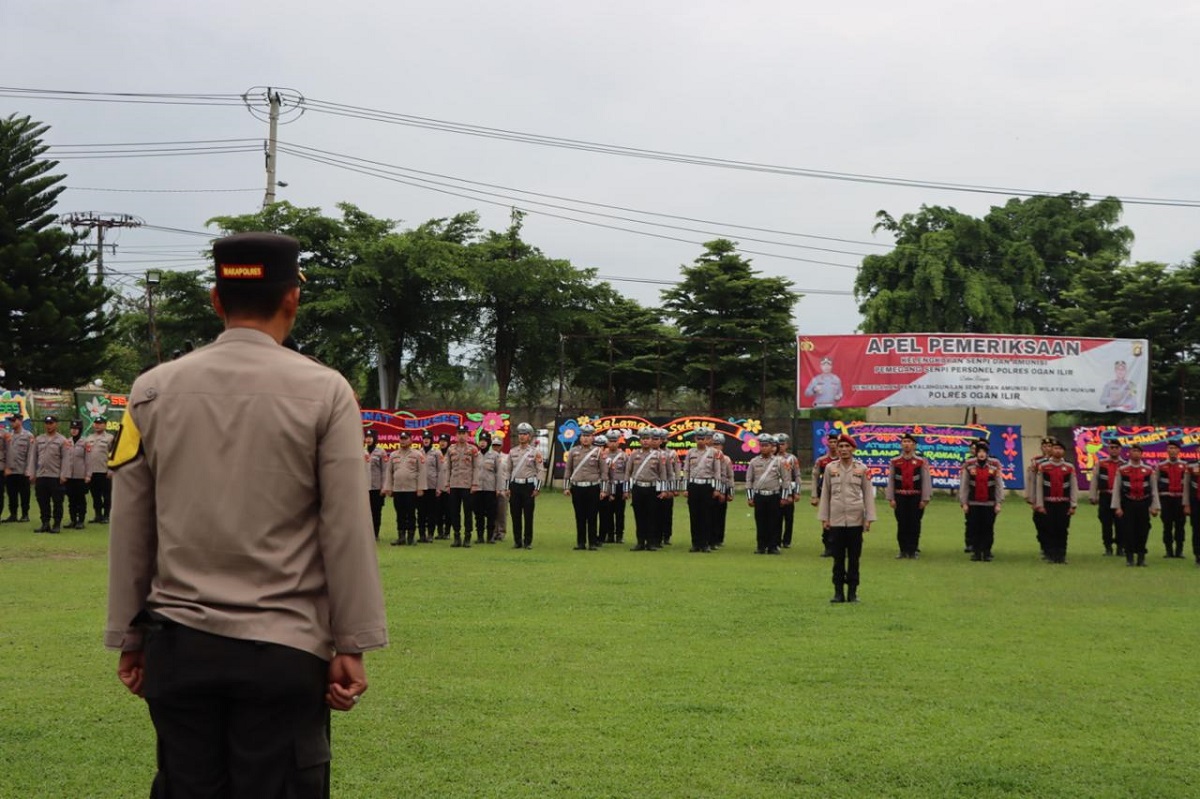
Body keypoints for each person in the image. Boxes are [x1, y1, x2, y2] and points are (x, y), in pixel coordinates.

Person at [105, 231, 387, 798]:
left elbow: (131, 525)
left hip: (178, 645)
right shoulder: (326, 392)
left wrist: (128, 636)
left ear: (216, 299)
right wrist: (351, 642)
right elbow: (347, 527)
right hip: (284, 647)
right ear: (293, 299)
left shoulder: (151, 390)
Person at [818, 434, 875, 603]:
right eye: (841, 447)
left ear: (853, 449)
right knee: (838, 558)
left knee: (854, 558)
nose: (843, 450)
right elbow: (825, 493)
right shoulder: (830, 468)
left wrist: (869, 518)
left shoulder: (862, 469)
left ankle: (852, 592)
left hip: (855, 519)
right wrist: (824, 517)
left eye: (846, 447)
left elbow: (868, 495)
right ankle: (838, 592)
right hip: (836, 519)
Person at [1112, 443, 1159, 567]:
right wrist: (1117, 507)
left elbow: (1154, 489)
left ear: (1141, 454)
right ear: (1129, 453)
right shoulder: (1122, 470)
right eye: (1133, 451)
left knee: (1143, 530)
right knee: (1128, 530)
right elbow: (1117, 489)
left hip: (1143, 503)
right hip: (1128, 503)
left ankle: (1141, 557)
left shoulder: (1148, 470)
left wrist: (1155, 506)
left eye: (1138, 451)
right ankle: (1129, 557)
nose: (1136, 453)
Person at [885, 433, 932, 559]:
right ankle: (903, 550)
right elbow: (891, 480)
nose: (906, 444)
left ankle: (912, 550)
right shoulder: (895, 461)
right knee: (902, 524)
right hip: (900, 497)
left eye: (909, 442)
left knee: (914, 524)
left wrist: (925, 498)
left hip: (915, 498)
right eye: (904, 441)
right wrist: (891, 498)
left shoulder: (921, 461)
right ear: (901, 444)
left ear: (914, 445)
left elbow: (925, 480)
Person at [1033, 438, 1078, 564]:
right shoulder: (1044, 466)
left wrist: (1073, 505)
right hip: (1048, 503)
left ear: (1064, 451)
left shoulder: (1069, 467)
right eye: (1055, 448)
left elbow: (1073, 486)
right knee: (1049, 529)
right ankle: (1050, 555)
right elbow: (1039, 486)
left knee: (1062, 530)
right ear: (1051, 450)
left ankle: (1061, 555)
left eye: (1060, 449)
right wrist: (1040, 504)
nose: (1057, 451)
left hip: (1063, 503)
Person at [958, 440, 1004, 561]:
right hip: (973, 503)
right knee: (975, 528)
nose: (981, 454)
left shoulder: (995, 465)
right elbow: (964, 485)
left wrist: (999, 502)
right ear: (976, 453)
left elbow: (999, 485)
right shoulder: (969, 465)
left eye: (984, 452)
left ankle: (987, 552)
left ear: (987, 453)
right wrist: (964, 502)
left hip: (989, 503)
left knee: (988, 528)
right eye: (979, 451)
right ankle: (977, 552)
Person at [563, 424, 604, 550]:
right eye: (583, 436)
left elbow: (604, 472)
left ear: (593, 437)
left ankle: (592, 542)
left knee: (592, 516)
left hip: (593, 487)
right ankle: (581, 542)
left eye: (588, 436)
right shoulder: (574, 451)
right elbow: (568, 469)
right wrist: (566, 487)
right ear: (580, 438)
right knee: (579, 516)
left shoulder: (598, 452)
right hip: (577, 487)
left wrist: (604, 489)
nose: (585, 438)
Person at [383, 430, 426, 546]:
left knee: (411, 514)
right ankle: (401, 537)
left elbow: (422, 472)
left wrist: (421, 488)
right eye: (401, 438)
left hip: (411, 489)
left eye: (405, 438)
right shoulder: (393, 455)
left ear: (411, 440)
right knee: (400, 514)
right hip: (398, 489)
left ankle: (411, 537)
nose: (403, 441)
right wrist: (388, 487)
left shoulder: (417, 454)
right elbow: (389, 472)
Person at [745, 434, 785, 555]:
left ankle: (773, 546)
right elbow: (749, 480)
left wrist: (784, 496)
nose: (764, 448)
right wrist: (750, 497)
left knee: (774, 521)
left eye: (766, 445)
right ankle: (761, 546)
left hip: (774, 495)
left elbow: (786, 480)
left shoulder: (779, 462)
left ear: (772, 446)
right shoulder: (754, 461)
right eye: (762, 445)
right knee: (760, 522)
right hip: (759, 495)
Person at [28, 415, 68, 533]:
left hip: (56, 476)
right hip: (41, 475)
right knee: (42, 501)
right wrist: (31, 473)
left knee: (57, 502)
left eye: (51, 423)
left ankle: (56, 524)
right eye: (46, 423)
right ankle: (45, 523)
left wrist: (64, 474)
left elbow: (66, 459)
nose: (48, 425)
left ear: (56, 424)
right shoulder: (39, 439)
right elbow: (33, 457)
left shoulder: (62, 440)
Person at [506, 423, 543, 550]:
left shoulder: (535, 452)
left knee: (528, 515)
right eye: (520, 434)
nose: (522, 436)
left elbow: (540, 470)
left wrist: (537, 488)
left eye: (525, 434)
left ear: (530, 436)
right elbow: (508, 471)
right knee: (515, 514)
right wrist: (507, 487)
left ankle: (528, 541)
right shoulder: (512, 451)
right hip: (515, 486)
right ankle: (517, 541)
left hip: (528, 486)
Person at [682, 427, 719, 553]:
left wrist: (717, 489)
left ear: (707, 439)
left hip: (707, 486)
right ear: (695, 439)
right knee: (694, 515)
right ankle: (695, 543)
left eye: (703, 438)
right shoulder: (690, 453)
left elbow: (717, 472)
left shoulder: (714, 453)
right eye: (698, 438)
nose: (701, 441)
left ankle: (705, 543)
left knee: (706, 515)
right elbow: (686, 471)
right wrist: (685, 488)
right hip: (693, 486)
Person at [444, 424, 480, 547]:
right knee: (454, 512)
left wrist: (475, 484)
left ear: (468, 435)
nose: (461, 435)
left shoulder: (473, 449)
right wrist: (447, 484)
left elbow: (476, 468)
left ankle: (467, 537)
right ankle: (457, 536)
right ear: (455, 435)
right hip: (454, 484)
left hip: (467, 485)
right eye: (459, 433)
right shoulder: (451, 449)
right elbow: (447, 468)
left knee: (468, 512)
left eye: (463, 433)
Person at [1088, 439, 1124, 556]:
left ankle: (1120, 547)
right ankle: (1108, 547)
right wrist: (1093, 495)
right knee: (1106, 523)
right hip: (1105, 496)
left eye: (1116, 448)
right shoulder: (1101, 464)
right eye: (1111, 447)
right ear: (1108, 449)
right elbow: (1095, 480)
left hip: (1120, 498)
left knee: (1121, 523)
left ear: (1120, 449)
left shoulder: (1124, 465)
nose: (1114, 450)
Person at [1154, 439, 1190, 558]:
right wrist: (1155, 503)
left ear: (1179, 451)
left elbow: (1188, 486)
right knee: (1167, 526)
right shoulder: (1161, 466)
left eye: (1175, 448)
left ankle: (1179, 551)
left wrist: (1187, 503)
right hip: (1166, 500)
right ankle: (1168, 550)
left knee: (1180, 526)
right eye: (1170, 448)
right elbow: (1155, 485)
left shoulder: (1185, 466)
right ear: (1167, 450)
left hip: (1180, 500)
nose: (1172, 451)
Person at [473, 432, 506, 544]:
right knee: (479, 514)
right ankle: (480, 536)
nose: (482, 443)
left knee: (491, 513)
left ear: (488, 443)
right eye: (481, 441)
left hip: (490, 488)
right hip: (477, 488)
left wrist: (498, 488)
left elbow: (499, 473)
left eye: (484, 441)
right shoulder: (475, 455)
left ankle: (490, 536)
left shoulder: (495, 456)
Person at [810, 432, 839, 557]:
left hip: (840, 495)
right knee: (826, 521)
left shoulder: (843, 459)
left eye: (835, 442)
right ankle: (828, 547)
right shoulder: (821, 461)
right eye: (830, 442)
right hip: (825, 495)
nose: (833, 445)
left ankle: (840, 547)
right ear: (827, 444)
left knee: (840, 521)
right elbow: (815, 478)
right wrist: (814, 495)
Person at [1025, 437, 1054, 559]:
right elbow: (1031, 480)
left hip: (1053, 495)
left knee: (1054, 523)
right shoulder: (1036, 462)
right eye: (1045, 446)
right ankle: (1044, 545)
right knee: (1040, 522)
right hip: (1039, 496)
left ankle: (1053, 547)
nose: (1047, 448)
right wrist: (1031, 497)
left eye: (1049, 446)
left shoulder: (1060, 462)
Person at [85, 416, 115, 523]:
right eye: (96, 423)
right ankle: (98, 515)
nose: (97, 425)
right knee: (95, 495)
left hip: (105, 471)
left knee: (107, 495)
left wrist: (111, 469)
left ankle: (107, 516)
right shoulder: (88, 438)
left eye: (100, 423)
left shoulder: (110, 438)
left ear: (105, 425)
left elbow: (113, 455)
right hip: (92, 472)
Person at [599, 432, 628, 545]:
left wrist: (626, 490)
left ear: (618, 442)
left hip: (620, 485)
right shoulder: (603, 455)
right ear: (607, 442)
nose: (612, 444)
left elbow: (627, 474)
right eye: (610, 441)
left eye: (615, 441)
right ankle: (609, 534)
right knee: (608, 512)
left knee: (620, 512)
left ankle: (619, 535)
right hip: (608, 487)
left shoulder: (624, 456)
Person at [3, 413, 33, 522]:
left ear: (20, 421)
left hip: (23, 470)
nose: (11, 423)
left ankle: (25, 515)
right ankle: (13, 514)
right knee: (11, 494)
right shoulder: (8, 435)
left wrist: (29, 470)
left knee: (24, 494)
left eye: (13, 420)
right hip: (11, 470)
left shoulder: (28, 436)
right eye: (10, 420)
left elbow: (31, 454)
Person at [775, 434, 801, 548]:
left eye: (783, 444)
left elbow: (797, 475)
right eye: (778, 444)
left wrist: (797, 492)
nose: (780, 446)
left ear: (787, 445)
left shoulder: (792, 458)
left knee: (789, 517)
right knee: (776, 517)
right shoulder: (772, 458)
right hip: (775, 490)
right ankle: (776, 539)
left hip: (789, 490)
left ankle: (787, 541)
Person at [63, 419, 90, 529]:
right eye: (72, 428)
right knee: (71, 499)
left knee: (80, 499)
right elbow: (64, 459)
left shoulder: (85, 443)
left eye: (76, 429)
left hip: (80, 476)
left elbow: (89, 460)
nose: (74, 431)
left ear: (80, 430)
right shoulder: (67, 442)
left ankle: (81, 520)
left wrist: (88, 475)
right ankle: (73, 520)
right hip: (69, 476)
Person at [417, 431, 442, 543]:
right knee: (421, 511)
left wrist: (439, 487)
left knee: (432, 512)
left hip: (432, 486)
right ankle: (422, 534)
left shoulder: (436, 453)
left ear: (432, 440)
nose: (426, 440)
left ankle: (431, 534)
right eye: (424, 438)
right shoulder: (418, 453)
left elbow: (441, 471)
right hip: (421, 486)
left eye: (428, 438)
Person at [710, 432, 735, 548]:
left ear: (722, 446)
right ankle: (709, 538)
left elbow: (730, 477)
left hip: (723, 489)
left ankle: (719, 538)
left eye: (718, 445)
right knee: (709, 515)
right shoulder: (707, 458)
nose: (715, 447)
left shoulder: (726, 459)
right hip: (710, 488)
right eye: (713, 444)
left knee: (720, 515)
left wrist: (730, 492)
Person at [363, 429, 387, 540]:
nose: (368, 440)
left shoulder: (381, 452)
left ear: (374, 439)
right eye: (366, 437)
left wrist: (384, 486)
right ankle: (366, 533)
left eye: (370, 437)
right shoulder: (362, 451)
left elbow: (384, 471)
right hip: (364, 487)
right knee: (364, 511)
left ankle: (375, 533)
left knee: (376, 511)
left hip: (377, 487)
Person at [490, 435, 510, 542]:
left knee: (502, 511)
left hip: (503, 487)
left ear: (501, 446)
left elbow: (509, 473)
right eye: (494, 445)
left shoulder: (506, 457)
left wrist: (508, 487)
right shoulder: (488, 457)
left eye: (498, 445)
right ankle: (492, 531)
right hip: (491, 487)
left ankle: (501, 532)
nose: (496, 447)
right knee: (492, 511)